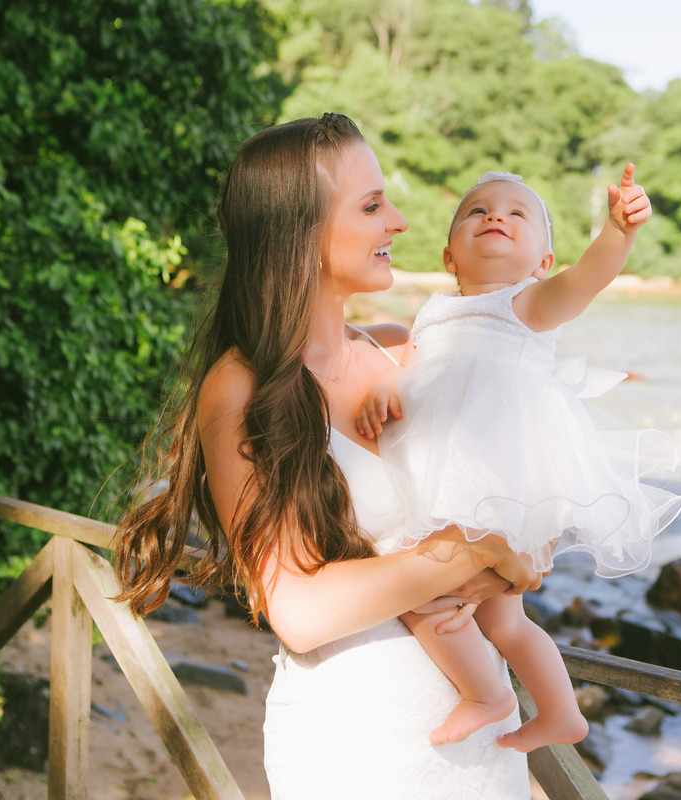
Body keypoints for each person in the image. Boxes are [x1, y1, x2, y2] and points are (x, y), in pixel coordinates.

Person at [113, 113, 541, 799]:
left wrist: (526, 544)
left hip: (482, 748)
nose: (398, 221)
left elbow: (532, 483)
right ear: (300, 233)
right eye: (371, 205)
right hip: (358, 746)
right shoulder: (242, 386)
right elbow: (300, 611)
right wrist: (472, 552)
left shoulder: (407, 352)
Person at [354, 168, 681, 752]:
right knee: (498, 617)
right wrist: (388, 384)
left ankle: (488, 695)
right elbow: (414, 369)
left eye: (516, 213)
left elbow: (588, 278)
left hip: (501, 478)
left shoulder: (529, 302)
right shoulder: (433, 312)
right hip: (440, 473)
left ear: (543, 262)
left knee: (428, 593)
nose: (495, 216)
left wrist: (618, 231)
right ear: (449, 256)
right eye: (477, 211)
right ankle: (561, 713)